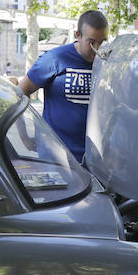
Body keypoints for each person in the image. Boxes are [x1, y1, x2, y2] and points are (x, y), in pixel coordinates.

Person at [19, 10, 109, 163]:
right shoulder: (55, 58)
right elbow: (21, 92)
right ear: (78, 35)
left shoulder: (107, 61)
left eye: (103, 42)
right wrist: (24, 136)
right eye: (92, 42)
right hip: (55, 156)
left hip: (95, 158)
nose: (98, 48)